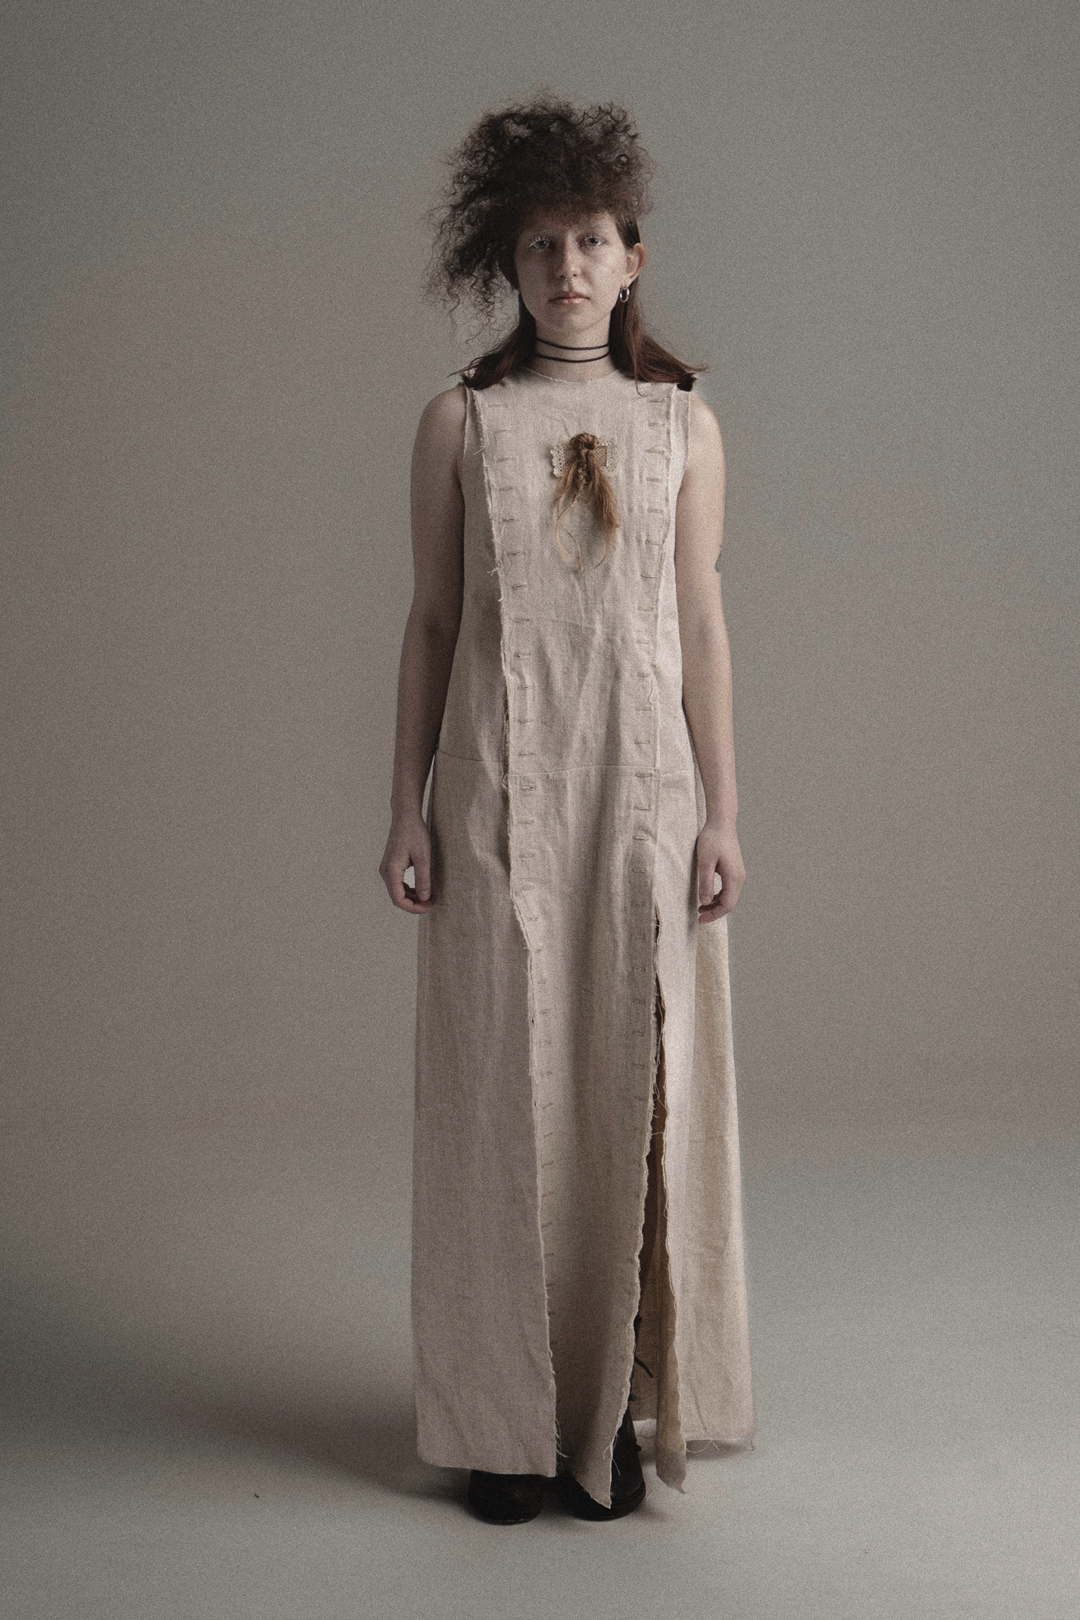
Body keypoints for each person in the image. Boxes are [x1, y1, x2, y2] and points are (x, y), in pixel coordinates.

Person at [379, 97, 754, 1525]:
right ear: (509, 264)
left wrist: (724, 814)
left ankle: (610, 1418)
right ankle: (504, 1426)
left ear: (633, 257)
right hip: (496, 795)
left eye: (591, 240)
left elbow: (701, 624)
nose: (568, 267)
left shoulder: (681, 427)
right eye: (540, 245)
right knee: (501, 1098)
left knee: (629, 1093)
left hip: (645, 804)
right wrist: (406, 808)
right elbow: (430, 621)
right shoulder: (460, 424)